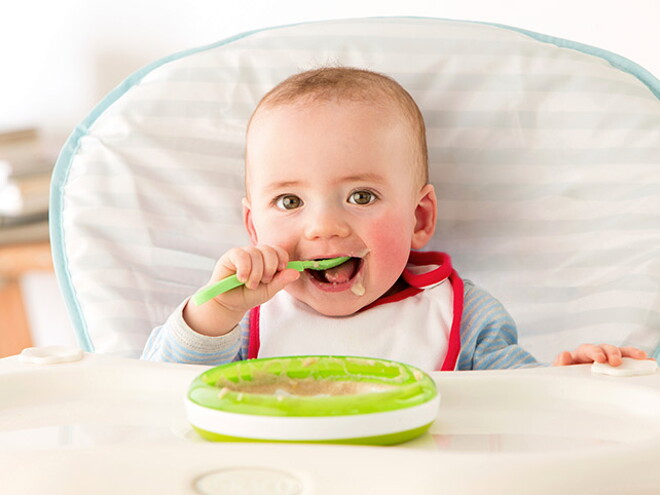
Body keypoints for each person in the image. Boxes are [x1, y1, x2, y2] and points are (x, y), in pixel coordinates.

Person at [141, 67, 648, 371]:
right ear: (254, 229)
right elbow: (155, 401)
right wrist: (210, 318)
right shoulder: (242, 319)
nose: (324, 228)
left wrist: (572, 382)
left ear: (419, 217)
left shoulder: (462, 316)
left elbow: (521, 412)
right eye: (290, 202)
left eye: (361, 196)